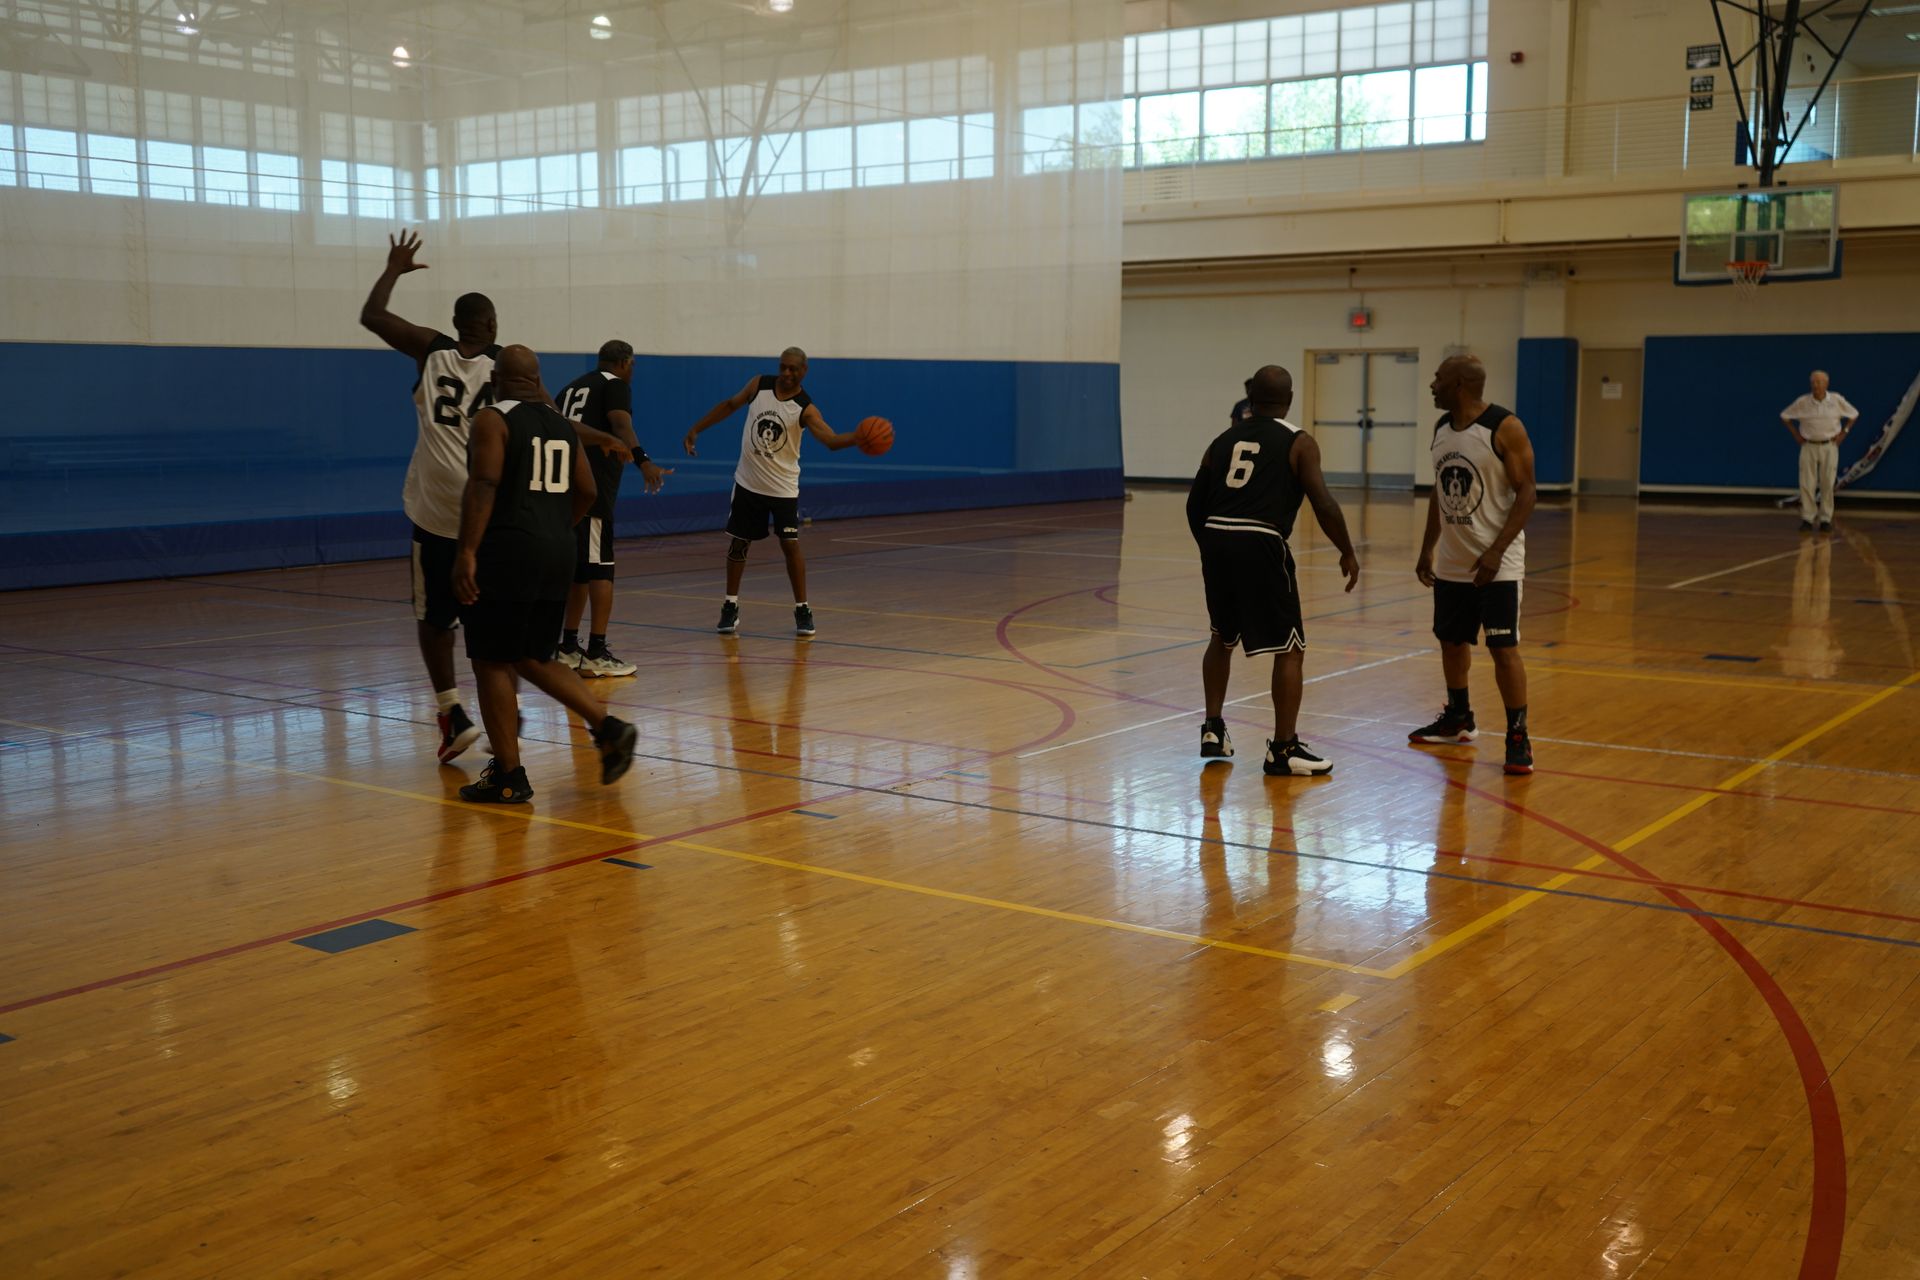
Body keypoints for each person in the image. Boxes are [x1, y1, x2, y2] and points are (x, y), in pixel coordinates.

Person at [450, 345, 638, 804]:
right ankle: (609, 726)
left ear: (496, 379)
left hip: (508, 550)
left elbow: (485, 483)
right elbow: (588, 490)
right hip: (558, 550)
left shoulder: (492, 419)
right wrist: (554, 531)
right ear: (536, 382)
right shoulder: (561, 425)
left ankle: (509, 775)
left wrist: (468, 550)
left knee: (492, 659)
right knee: (534, 657)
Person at [358, 229, 500, 765]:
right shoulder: (508, 364)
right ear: (489, 325)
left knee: (435, 616)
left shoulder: (431, 349)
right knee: (489, 616)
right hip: (487, 515)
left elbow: (372, 316)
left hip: (437, 511)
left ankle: (452, 711)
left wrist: (394, 268)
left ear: (457, 323)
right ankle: (497, 707)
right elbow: (543, 422)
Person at [1188, 365, 1360, 776]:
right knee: (1291, 646)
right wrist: (1347, 551)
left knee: (1221, 635)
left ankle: (1213, 727)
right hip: (1261, 540)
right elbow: (1323, 503)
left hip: (1216, 537)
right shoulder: (1298, 442)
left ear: (1252, 399)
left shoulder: (1222, 440)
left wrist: (1211, 546)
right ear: (1290, 398)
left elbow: (1195, 505)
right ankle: (1284, 749)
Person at [1409, 354, 1538, 776]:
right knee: (1451, 641)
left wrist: (1497, 551)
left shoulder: (1505, 427)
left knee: (1503, 649)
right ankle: (1459, 719)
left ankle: (1518, 734)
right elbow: (1439, 492)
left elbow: (1527, 493)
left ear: (1460, 384)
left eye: (1438, 378)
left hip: (1496, 563)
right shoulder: (1441, 428)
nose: (1432, 384)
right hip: (1453, 562)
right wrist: (1428, 548)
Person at [681, 346, 861, 638]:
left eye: (792, 369)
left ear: (804, 371)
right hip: (748, 483)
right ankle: (730, 605)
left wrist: (858, 438)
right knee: (739, 544)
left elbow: (830, 440)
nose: (786, 373)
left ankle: (802, 609)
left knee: (790, 545)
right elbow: (729, 405)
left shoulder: (805, 408)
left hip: (782, 488)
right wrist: (696, 428)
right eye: (783, 367)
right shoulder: (759, 384)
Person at [554, 340, 673, 677]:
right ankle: (596, 651)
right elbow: (621, 425)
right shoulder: (615, 384)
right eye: (632, 365)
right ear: (624, 362)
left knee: (579, 571)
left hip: (565, 487)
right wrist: (643, 461)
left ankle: (566, 647)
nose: (633, 371)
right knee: (601, 569)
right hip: (592, 490)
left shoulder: (570, 388)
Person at [1780, 370, 1856, 533]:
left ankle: (1825, 519)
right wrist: (1796, 435)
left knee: (1827, 483)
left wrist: (1844, 432)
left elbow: (1854, 414)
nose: (1816, 385)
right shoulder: (1803, 402)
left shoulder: (1836, 400)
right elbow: (1785, 416)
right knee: (1807, 483)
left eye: (1819, 382)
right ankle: (1807, 518)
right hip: (1808, 446)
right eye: (1814, 382)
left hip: (1829, 446)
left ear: (1826, 384)